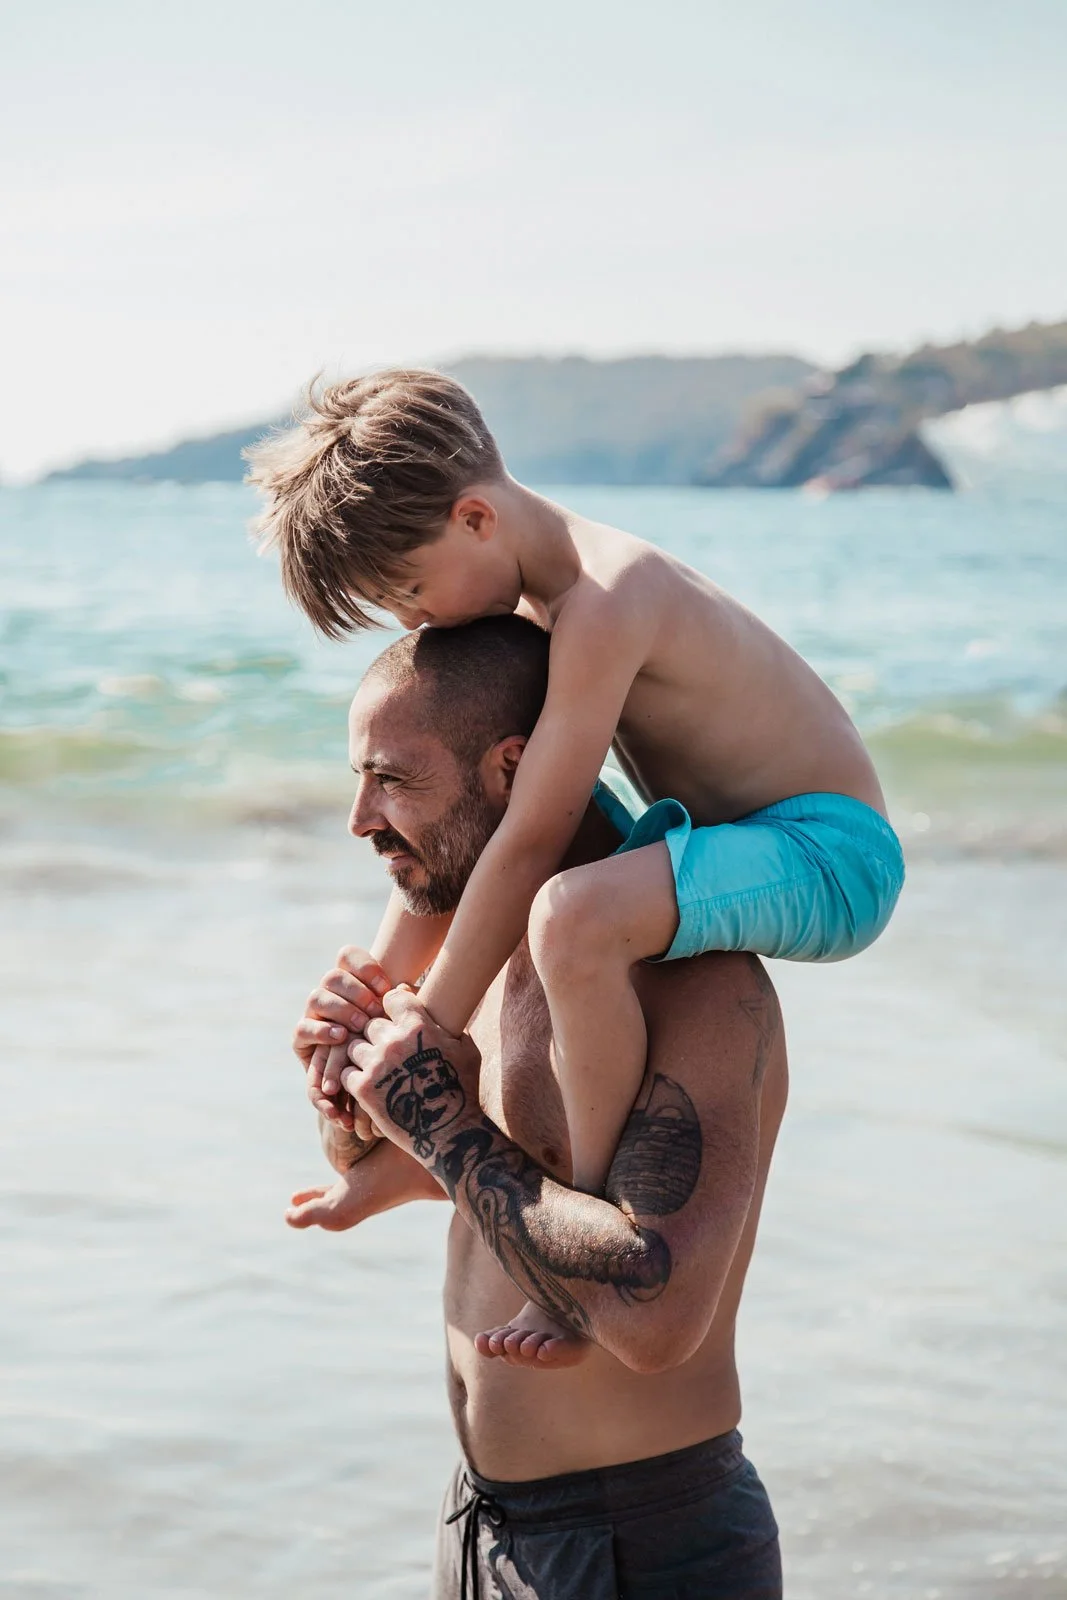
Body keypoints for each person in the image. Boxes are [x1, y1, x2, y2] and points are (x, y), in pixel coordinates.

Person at [249, 370, 903, 1362]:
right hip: (712, 840)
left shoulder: (605, 598)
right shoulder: (543, 605)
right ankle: (408, 1157)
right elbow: (494, 828)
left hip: (828, 851)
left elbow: (532, 838)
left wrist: (428, 1029)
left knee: (569, 916)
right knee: (469, 810)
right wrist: (376, 1002)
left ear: (475, 518)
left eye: (408, 591)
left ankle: (581, 1232)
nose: (411, 623)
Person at [290, 617, 788, 1598]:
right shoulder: (473, 945)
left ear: (511, 769)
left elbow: (654, 1317)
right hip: (481, 1523)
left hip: (639, 1542)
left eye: (391, 779)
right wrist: (340, 1071)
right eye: (358, 778)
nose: (359, 818)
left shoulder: (694, 980)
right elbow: (377, 1162)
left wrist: (439, 1120)